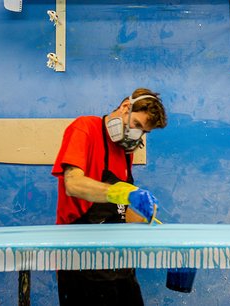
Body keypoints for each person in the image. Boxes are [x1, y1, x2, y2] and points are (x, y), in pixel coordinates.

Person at [51, 88, 168, 305]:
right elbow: (73, 184)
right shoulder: (84, 128)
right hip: (80, 260)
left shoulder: (125, 152)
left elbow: (122, 209)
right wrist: (122, 192)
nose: (138, 134)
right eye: (138, 125)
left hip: (119, 261)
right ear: (125, 108)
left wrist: (149, 222)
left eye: (144, 132)